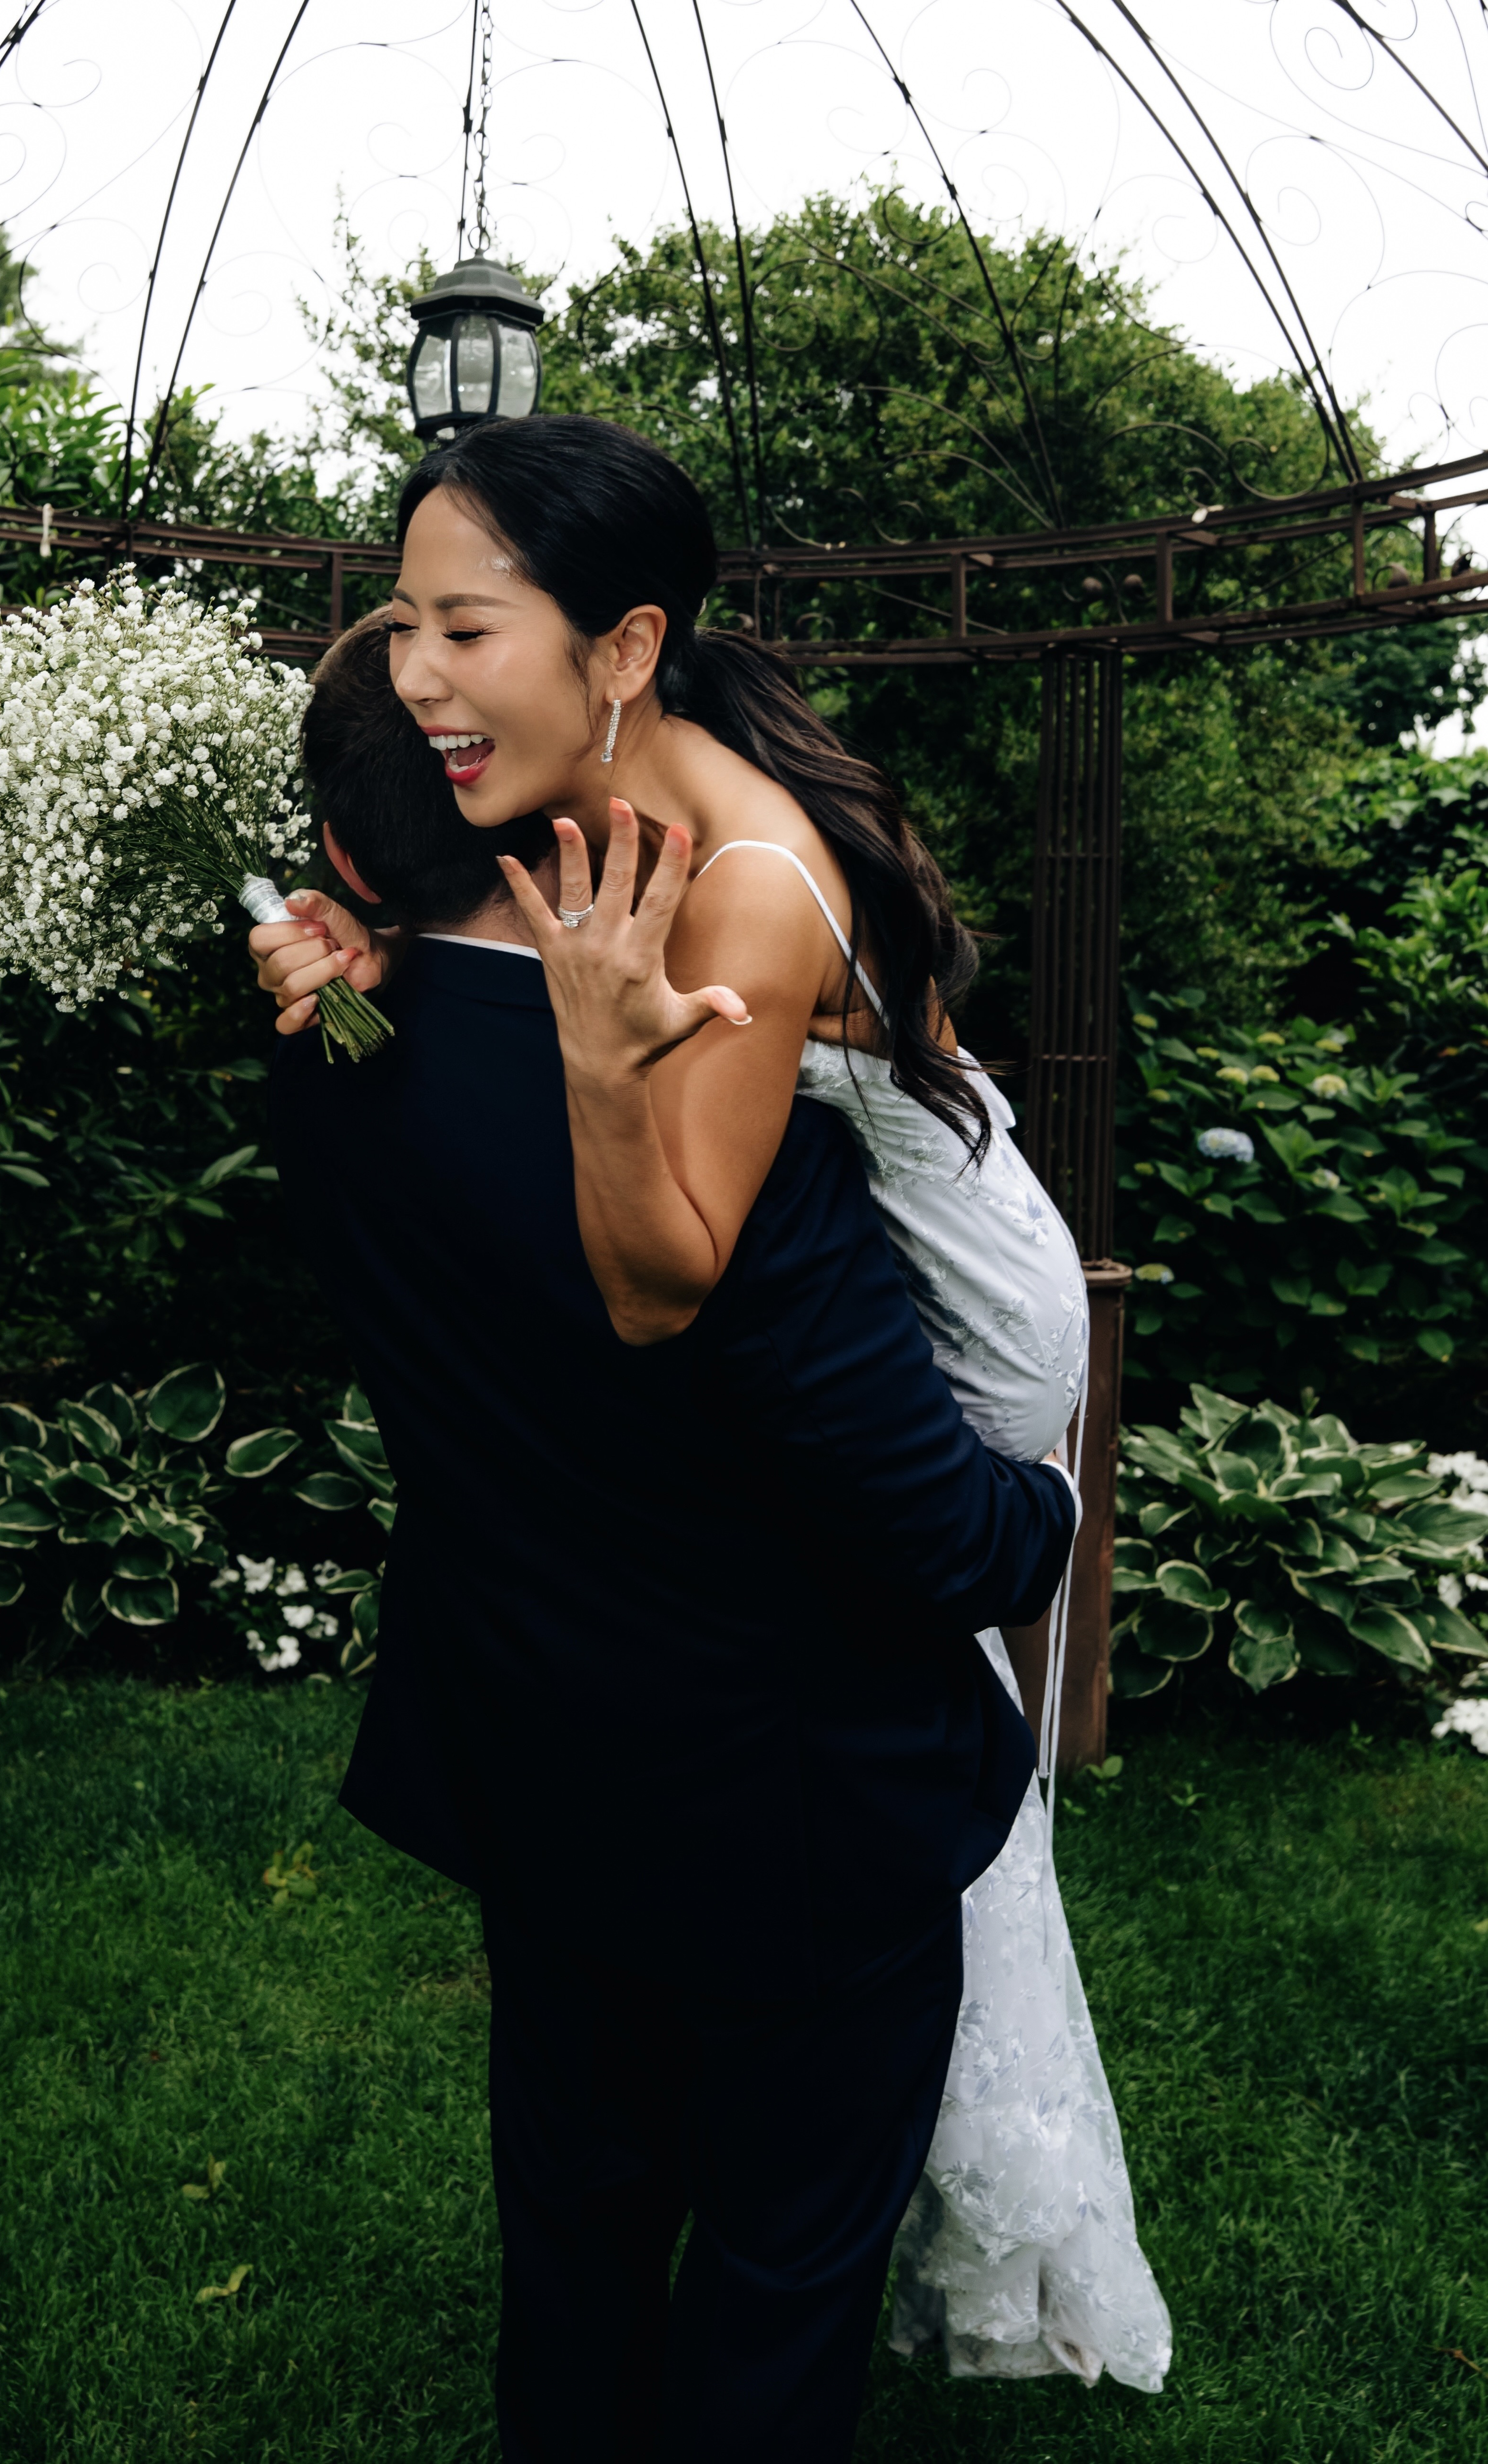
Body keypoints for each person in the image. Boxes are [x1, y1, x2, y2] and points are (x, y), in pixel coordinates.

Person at [258, 415, 1170, 2397]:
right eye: (400, 624)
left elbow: (675, 1261)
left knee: (588, 2214)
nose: (415, 673)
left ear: (623, 648)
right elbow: (660, 1277)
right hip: (753, 1751)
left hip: (943, 1373)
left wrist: (506, 1024)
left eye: (462, 629)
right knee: (752, 2264)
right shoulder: (540, 877)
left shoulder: (743, 886)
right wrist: (450, 982)